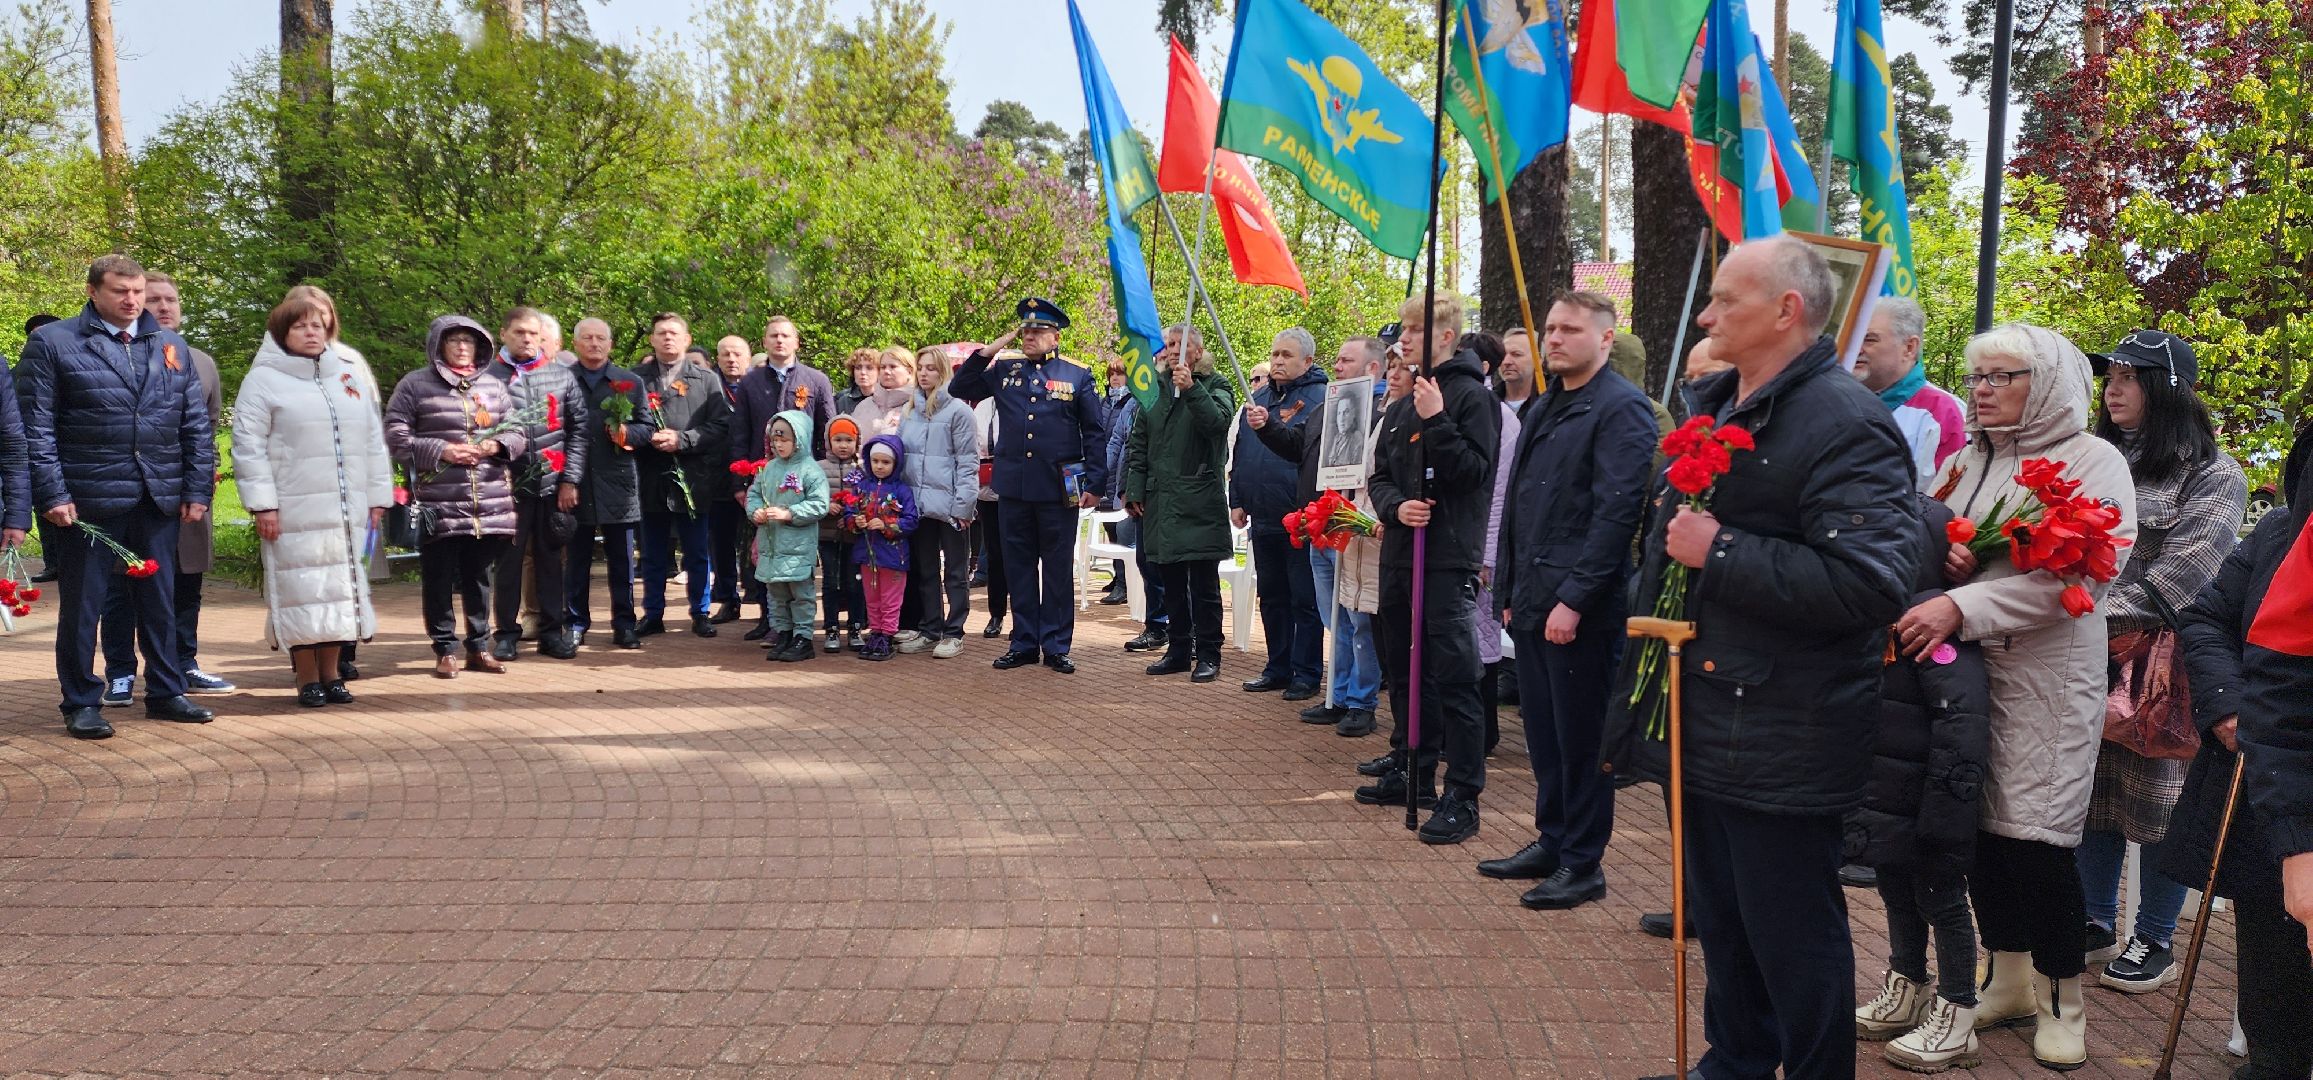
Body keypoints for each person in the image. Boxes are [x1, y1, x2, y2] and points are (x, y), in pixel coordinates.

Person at [1604, 236, 1920, 1080]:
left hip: (1785, 729)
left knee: (1791, 935)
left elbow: (1870, 584)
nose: (1704, 317)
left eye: (1723, 302)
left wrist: (1723, 551)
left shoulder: (1844, 422)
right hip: (1706, 713)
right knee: (1724, 921)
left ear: (1786, 310)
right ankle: (1735, 1061)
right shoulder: (1723, 403)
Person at [1895, 323, 2136, 1071]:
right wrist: (1946, 552)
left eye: (2002, 376)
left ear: (2049, 384)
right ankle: (2006, 978)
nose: (1981, 390)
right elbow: (1930, 539)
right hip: (1965, 678)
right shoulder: (1965, 459)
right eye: (1976, 376)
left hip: (2045, 679)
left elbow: (2083, 579)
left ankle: (2063, 997)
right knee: (1978, 833)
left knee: (2035, 841)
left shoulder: (2093, 461)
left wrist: (1960, 607)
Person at [2073, 329, 2248, 992]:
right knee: (2090, 791)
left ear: (2166, 389)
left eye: (2127, 377)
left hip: (2162, 665)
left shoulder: (2213, 472)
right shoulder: (2094, 457)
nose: (2111, 390)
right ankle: (2091, 920)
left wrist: (2074, 610)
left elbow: (2182, 580)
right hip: (2088, 655)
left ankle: (2153, 936)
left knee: (2159, 805)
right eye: (2108, 376)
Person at [1482, 291, 1658, 911]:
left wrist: (1575, 600)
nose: (1554, 339)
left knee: (1581, 740)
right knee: (1545, 735)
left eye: (1570, 330)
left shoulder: (1622, 410)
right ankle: (1552, 839)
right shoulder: (1545, 405)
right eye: (1550, 329)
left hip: (1578, 607)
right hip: (1530, 596)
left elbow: (1615, 515)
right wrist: (1506, 590)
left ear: (1605, 340)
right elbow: (1520, 507)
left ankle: (1583, 862)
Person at [17, 254, 218, 736]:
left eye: (137, 291)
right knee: (85, 604)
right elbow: (36, 429)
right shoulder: (54, 343)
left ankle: (168, 692)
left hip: (156, 497)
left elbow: (193, 423)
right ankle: (82, 701)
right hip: (86, 500)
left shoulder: (169, 344)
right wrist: (52, 494)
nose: (132, 300)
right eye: (119, 292)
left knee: (160, 601)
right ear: (93, 292)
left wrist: (195, 487)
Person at [2169, 425, 2313, 1080]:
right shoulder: (2279, 533)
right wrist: (2228, 705)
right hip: (2271, 786)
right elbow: (2205, 616)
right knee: (2273, 981)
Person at [1849, 495, 1994, 1071]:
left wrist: (1946, 817)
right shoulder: (1879, 622)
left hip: (1930, 808)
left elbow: (1962, 729)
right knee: (1895, 892)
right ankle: (1907, 984)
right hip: (1887, 801)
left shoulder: (1935, 632)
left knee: (1941, 899)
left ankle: (1958, 1010)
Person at [1356, 290, 1500, 844]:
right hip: (1400, 552)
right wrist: (1396, 507)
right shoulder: (1399, 406)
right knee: (1403, 668)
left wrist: (1437, 421)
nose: (1403, 339)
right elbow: (1380, 477)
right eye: (1403, 331)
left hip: (1444, 558)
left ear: (1445, 336)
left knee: (1454, 675)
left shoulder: (1468, 398)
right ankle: (1412, 765)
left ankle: (1463, 793)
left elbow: (1471, 473)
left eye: (1414, 331)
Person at [230, 291, 394, 707]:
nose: (310, 332)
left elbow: (373, 441)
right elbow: (248, 445)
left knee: (340, 589)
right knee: (302, 589)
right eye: (300, 325)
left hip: (346, 509)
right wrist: (263, 504)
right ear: (282, 333)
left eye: (317, 325)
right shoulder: (264, 379)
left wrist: (377, 495)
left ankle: (332, 674)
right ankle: (306, 679)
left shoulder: (347, 375)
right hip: (293, 508)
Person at [96, 271, 235, 702]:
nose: (163, 307)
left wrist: (200, 483)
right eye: (153, 299)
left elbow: (206, 431)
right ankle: (120, 671)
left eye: (170, 299)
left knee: (185, 582)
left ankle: (182, 663)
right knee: (121, 583)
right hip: (131, 491)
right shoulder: (119, 354)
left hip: (186, 492)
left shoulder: (201, 361)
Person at [947, 298, 1106, 675]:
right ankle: (1022, 642)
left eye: (1038, 331)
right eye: (1026, 330)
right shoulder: (1005, 369)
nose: (1030, 336)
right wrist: (993, 348)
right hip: (1014, 487)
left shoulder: (1077, 375)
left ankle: (1055, 646)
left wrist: (1096, 483)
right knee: (1017, 568)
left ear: (1056, 336)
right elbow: (960, 386)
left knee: (1054, 570)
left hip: (1058, 488)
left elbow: (1094, 433)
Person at [383, 315, 523, 679]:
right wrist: (442, 450)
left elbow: (518, 432)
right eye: (454, 341)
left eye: (469, 341)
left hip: (488, 502)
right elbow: (395, 436)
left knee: (479, 576)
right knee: (439, 576)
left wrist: (497, 444)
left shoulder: (492, 386)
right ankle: (445, 649)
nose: (463, 347)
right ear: (438, 346)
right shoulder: (415, 385)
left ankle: (479, 647)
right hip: (438, 502)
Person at [1261, 335, 1386, 734]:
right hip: (1321, 524)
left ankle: (1361, 701)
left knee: (1359, 619)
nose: (1337, 367)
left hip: (1355, 529)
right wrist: (1266, 429)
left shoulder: (1382, 412)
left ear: (1372, 368)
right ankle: (1339, 693)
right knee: (1335, 616)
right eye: (1336, 360)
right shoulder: (1327, 407)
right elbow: (1300, 449)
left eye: (1346, 361)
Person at [1128, 324, 1237, 684]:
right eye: (1170, 344)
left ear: (1198, 351)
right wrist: (1135, 490)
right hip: (1161, 502)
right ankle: (1177, 649)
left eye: (1181, 344)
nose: (1173, 349)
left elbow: (1217, 424)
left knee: (1203, 585)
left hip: (1198, 499)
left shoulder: (1216, 385)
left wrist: (1191, 390)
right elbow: (1139, 443)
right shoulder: (1154, 390)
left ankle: (1208, 653)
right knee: (1169, 580)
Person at [479, 306, 587, 661]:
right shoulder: (487, 376)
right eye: (520, 333)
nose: (527, 339)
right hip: (505, 483)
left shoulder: (560, 375)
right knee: (508, 562)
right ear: (504, 334)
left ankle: (552, 633)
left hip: (552, 483)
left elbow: (578, 430)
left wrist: (570, 479)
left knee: (551, 560)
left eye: (533, 334)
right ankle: (507, 634)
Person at [1232, 327, 1329, 701]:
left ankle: (1306, 674)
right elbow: (1242, 453)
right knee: (1271, 596)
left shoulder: (1321, 398)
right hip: (1264, 516)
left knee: (1302, 598)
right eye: (1274, 354)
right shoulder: (1257, 399)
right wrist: (1237, 498)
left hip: (1302, 517)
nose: (1277, 361)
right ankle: (1277, 667)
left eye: (1286, 355)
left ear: (1307, 361)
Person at [633, 313, 731, 638]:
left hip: (692, 477)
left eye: (674, 333)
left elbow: (719, 426)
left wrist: (682, 440)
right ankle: (653, 613)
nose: (668, 339)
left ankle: (700, 612)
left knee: (697, 552)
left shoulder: (706, 379)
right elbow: (624, 423)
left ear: (687, 339)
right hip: (650, 476)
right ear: (652, 339)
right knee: (652, 552)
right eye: (661, 333)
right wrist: (645, 437)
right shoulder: (635, 379)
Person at [564, 318, 652, 650]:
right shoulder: (562, 381)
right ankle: (574, 622)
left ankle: (624, 624)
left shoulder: (629, 381)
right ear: (576, 343)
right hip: (575, 481)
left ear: (611, 344)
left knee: (622, 560)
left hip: (618, 480)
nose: (594, 344)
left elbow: (648, 428)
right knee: (576, 560)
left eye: (601, 338)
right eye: (587, 338)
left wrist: (628, 434)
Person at [898, 345, 979, 658]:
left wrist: (963, 507)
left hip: (949, 507)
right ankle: (930, 629)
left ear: (944, 371)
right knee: (926, 571)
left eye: (931, 368)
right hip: (918, 506)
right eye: (921, 368)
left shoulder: (959, 411)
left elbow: (968, 463)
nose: (924, 373)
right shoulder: (910, 410)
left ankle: (954, 632)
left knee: (956, 573)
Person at [1854, 296, 1967, 485]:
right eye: (1852, 337)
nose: (1856, 348)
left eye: (1869, 339)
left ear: (1909, 347)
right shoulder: (1830, 403)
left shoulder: (1944, 412)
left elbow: (1944, 503)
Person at [746, 410, 828, 662]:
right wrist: (755, 511)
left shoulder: (810, 470)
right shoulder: (768, 468)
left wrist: (789, 513)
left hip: (797, 546)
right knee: (776, 592)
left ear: (799, 439)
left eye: (785, 439)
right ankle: (784, 632)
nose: (779, 445)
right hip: (771, 544)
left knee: (800, 593)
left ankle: (803, 637)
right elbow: (754, 494)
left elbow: (819, 504)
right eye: (775, 440)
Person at [847, 434, 919, 660]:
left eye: (885, 462)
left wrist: (887, 524)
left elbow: (911, 520)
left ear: (895, 464)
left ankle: (887, 634)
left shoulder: (902, 490)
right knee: (872, 596)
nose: (879, 466)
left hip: (893, 556)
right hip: (867, 555)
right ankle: (875, 631)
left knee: (890, 598)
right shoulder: (861, 487)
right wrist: (855, 521)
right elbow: (850, 511)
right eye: (875, 461)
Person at [706, 333, 759, 626]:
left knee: (760, 542)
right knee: (722, 542)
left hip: (756, 475)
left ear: (749, 358)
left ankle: (763, 600)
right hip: (719, 476)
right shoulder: (708, 387)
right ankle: (727, 599)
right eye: (725, 354)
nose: (731, 359)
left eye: (738, 353)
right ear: (718, 358)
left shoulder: (759, 386)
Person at [817, 417, 866, 652]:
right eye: (838, 439)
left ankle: (856, 627)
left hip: (854, 537)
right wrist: (826, 505)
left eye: (849, 440)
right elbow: (811, 496)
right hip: (827, 536)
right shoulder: (819, 468)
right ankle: (831, 628)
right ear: (829, 441)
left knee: (854, 583)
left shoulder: (862, 469)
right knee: (830, 582)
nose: (843, 445)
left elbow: (868, 499)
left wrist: (857, 513)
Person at [972, 394, 1008, 638]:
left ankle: (1025, 617)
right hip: (986, 490)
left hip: (1017, 489)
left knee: (1020, 556)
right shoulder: (982, 405)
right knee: (995, 555)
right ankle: (996, 613)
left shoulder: (1023, 399)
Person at [1497, 327, 1539, 418]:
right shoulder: (1489, 402)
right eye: (1503, 354)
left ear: (1538, 359)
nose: (1506, 362)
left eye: (1516, 354)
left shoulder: (1552, 402)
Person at [833, 345, 878, 424]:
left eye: (869, 368)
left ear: (879, 372)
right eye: (858, 368)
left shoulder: (888, 400)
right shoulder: (842, 399)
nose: (863, 372)